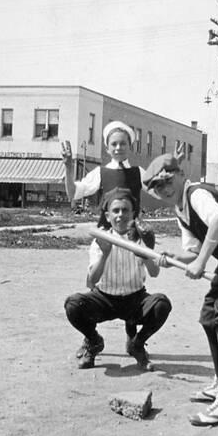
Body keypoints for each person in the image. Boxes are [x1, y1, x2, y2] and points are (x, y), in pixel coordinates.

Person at [143, 153, 218, 426]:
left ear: (180, 175)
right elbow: (193, 250)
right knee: (209, 318)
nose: (165, 189)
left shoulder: (196, 194)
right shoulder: (179, 209)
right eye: (158, 187)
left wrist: (200, 262)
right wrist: (169, 255)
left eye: (168, 180)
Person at [61, 120, 177, 341]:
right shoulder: (100, 172)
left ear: (129, 146)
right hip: (107, 234)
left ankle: (133, 332)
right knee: (99, 280)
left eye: (122, 143)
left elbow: (159, 191)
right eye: (113, 144)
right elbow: (73, 193)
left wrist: (173, 167)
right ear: (107, 147)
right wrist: (68, 167)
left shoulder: (138, 172)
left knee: (132, 281)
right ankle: (91, 339)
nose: (118, 148)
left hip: (134, 234)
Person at [64, 187, 172, 371]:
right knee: (73, 305)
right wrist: (105, 254)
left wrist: (145, 255)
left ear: (133, 214)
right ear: (107, 216)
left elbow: (154, 273)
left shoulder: (140, 240)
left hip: (135, 299)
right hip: (105, 298)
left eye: (125, 210)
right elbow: (91, 281)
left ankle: (137, 344)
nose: (120, 215)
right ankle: (93, 341)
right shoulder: (101, 240)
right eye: (116, 211)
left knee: (162, 303)